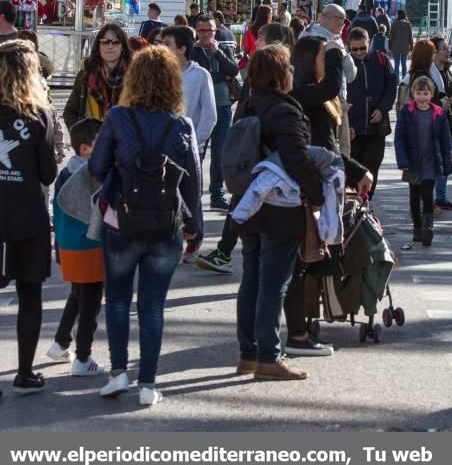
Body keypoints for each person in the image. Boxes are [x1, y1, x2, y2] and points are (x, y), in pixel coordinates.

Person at [89, 46, 201, 406]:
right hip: (166, 224)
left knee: (118, 300)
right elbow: (193, 183)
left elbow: (96, 168)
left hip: (122, 220)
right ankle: (149, 385)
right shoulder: (181, 124)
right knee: (152, 306)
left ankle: (118, 372)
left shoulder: (118, 117)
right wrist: (193, 225)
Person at [231, 46, 324, 381]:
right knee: (274, 283)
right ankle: (269, 356)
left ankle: (249, 353)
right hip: (279, 207)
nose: (292, 73)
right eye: (287, 68)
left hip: (250, 204)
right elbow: (298, 159)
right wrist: (318, 194)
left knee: (252, 279)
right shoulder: (283, 111)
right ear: (278, 74)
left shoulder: (249, 104)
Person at [282, 36, 373, 355]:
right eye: (324, 56)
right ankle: (297, 333)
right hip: (307, 190)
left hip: (323, 184)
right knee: (302, 263)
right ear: (311, 59)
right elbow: (333, 85)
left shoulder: (312, 95)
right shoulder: (303, 93)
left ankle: (302, 327)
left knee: (312, 259)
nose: (330, 61)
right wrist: (336, 51)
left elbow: (329, 148)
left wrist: (357, 171)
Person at [194, 25, 297, 274]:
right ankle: (226, 251)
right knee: (241, 199)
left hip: (260, 150)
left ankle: (226, 251)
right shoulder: (259, 67)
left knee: (242, 200)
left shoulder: (276, 72)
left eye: (260, 36)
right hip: (250, 145)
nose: (256, 39)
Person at [0, 40, 58, 396]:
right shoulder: (39, 114)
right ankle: (24, 371)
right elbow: (48, 173)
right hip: (28, 216)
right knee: (30, 294)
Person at [47, 118, 105, 377]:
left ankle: (60, 343)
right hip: (89, 244)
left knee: (78, 296)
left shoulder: (66, 172)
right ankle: (83, 358)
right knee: (91, 302)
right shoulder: (92, 173)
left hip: (67, 245)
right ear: (85, 148)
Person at [189, 14, 239, 220]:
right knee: (197, 152)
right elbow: (204, 75)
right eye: (202, 30)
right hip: (201, 108)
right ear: (196, 31)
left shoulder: (222, 48)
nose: (206, 35)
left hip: (223, 106)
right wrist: (221, 76)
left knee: (220, 153)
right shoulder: (193, 51)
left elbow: (233, 70)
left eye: (210, 30)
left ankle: (217, 193)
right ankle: (194, 192)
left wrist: (217, 53)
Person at [395, 76, 452, 247]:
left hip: (430, 162)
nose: (422, 97)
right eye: (419, 93)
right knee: (414, 197)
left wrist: (447, 164)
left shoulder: (439, 114)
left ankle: (428, 228)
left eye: (426, 93)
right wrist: (402, 160)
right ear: (413, 93)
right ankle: (417, 228)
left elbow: (445, 142)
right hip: (412, 163)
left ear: (431, 94)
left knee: (428, 195)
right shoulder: (407, 112)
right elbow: (399, 138)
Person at [300, 4, 358, 157]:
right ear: (336, 20)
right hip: (332, 99)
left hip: (311, 96)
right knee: (340, 149)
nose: (344, 25)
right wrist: (342, 52)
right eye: (343, 21)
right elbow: (351, 74)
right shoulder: (332, 43)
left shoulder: (305, 35)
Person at [347, 27, 397, 199]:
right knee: (354, 166)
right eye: (355, 49)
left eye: (363, 48)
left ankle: (366, 202)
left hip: (376, 126)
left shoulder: (381, 59)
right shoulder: (345, 63)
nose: (359, 52)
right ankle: (354, 202)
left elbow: (391, 86)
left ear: (369, 44)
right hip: (354, 127)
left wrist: (383, 109)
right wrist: (345, 122)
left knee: (373, 165)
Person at [63, 24, 131, 129]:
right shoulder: (85, 74)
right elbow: (70, 112)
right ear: (98, 46)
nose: (110, 46)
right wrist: (81, 138)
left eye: (116, 42)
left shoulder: (134, 77)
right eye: (105, 41)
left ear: (123, 47)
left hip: (126, 142)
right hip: (94, 141)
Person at [430, 37, 452, 211]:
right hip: (431, 122)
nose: (448, 50)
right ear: (434, 52)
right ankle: (428, 197)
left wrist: (451, 107)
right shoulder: (428, 71)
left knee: (445, 158)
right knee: (432, 158)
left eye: (448, 47)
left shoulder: (451, 69)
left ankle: (441, 197)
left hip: (448, 121)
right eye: (444, 48)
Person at [389, 9, 414, 81]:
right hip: (405, 47)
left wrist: (389, 47)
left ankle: (397, 80)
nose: (396, 15)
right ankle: (404, 79)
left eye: (397, 14)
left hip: (395, 47)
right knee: (404, 64)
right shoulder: (408, 25)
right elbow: (410, 37)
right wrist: (412, 48)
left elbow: (391, 36)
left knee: (396, 65)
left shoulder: (394, 24)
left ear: (399, 15)